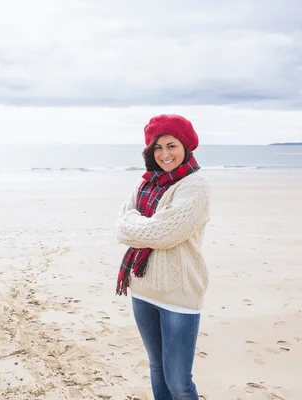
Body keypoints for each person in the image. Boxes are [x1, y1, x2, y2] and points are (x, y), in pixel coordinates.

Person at [115, 114, 210, 400]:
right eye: (158, 147)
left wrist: (137, 224)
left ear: (186, 147)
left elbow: (165, 234)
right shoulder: (145, 183)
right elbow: (121, 228)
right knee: (157, 369)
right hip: (142, 289)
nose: (165, 154)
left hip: (179, 295)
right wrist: (144, 226)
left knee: (179, 382)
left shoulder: (194, 187)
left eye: (171, 145)